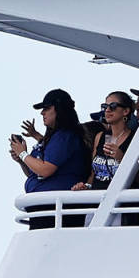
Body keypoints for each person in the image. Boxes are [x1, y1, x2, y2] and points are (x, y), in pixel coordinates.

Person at [9, 88, 90, 227]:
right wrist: (22, 161)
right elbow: (35, 173)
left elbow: (45, 170)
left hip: (58, 210)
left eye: (46, 108)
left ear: (59, 109)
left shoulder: (65, 136)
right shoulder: (55, 137)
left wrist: (23, 154)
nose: (42, 113)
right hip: (47, 208)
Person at [75, 91, 135, 190]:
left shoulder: (135, 138)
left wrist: (122, 158)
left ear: (125, 111)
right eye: (105, 106)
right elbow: (93, 173)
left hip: (120, 195)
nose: (107, 110)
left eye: (113, 106)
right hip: (97, 195)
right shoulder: (100, 136)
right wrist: (86, 186)